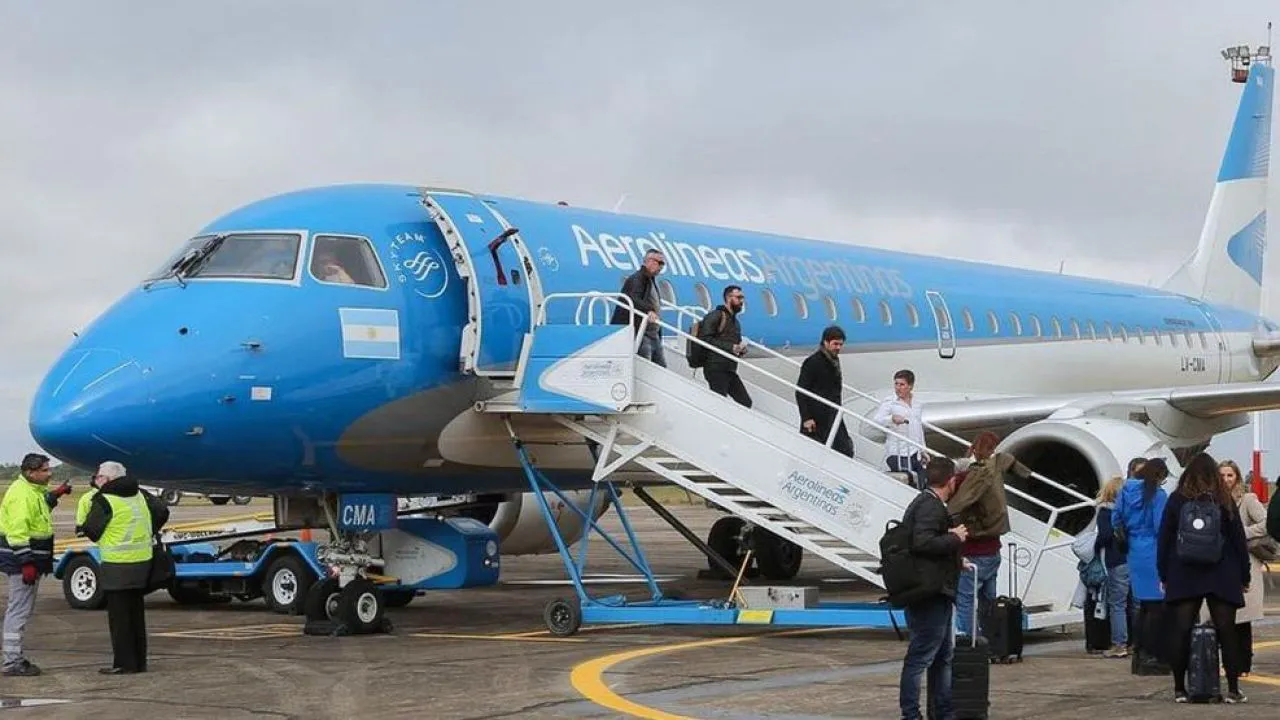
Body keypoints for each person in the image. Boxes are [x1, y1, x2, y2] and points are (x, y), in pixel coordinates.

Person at [1157, 452, 1250, 704]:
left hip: (1184, 571)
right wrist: (1244, 574)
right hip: (1222, 571)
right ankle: (1232, 689)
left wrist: (1164, 573)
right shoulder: (1223, 499)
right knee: (1227, 631)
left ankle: (1179, 689)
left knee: (1181, 630)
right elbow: (1238, 540)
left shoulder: (1176, 499)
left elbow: (1164, 538)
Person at [81, 461, 170, 674]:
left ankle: (124, 663)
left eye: (100, 477)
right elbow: (162, 511)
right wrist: (147, 531)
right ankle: (140, 661)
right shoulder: (140, 494)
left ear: (109, 479)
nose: (98, 480)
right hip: (141, 560)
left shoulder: (104, 499)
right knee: (136, 613)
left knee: (119, 617)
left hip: (117, 563)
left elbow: (92, 530)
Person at [898, 457, 968, 720]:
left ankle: (943, 711)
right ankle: (912, 714)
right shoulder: (930, 506)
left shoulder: (925, 503)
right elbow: (923, 542)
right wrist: (954, 538)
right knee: (922, 656)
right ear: (951, 481)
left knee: (942, 655)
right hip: (931, 592)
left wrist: (957, 560)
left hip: (934, 588)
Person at [946, 431, 1022, 640]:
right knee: (988, 600)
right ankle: (994, 639)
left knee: (966, 600)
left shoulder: (966, 480)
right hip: (993, 550)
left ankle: (973, 642)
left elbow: (954, 507)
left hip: (973, 552)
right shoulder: (994, 474)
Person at [0, 453, 71, 676]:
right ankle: (12, 661)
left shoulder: (33, 492)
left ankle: (13, 658)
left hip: (30, 561)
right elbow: (18, 532)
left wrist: (55, 495)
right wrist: (26, 562)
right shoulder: (21, 496)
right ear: (30, 472)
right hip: (22, 562)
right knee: (19, 610)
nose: (49, 473)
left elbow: (38, 513)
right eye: (45, 470)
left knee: (21, 609)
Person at [1114, 457, 1169, 672]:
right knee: (1156, 607)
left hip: (1134, 548)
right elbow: (1160, 527)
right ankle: (1153, 654)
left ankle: (1139, 654)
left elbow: (1115, 520)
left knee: (1143, 606)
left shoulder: (1125, 490)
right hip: (1152, 549)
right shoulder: (1157, 495)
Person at [1218, 459, 1266, 677]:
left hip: (1244, 561)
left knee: (1242, 619)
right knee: (1224, 617)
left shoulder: (1247, 499)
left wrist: (1242, 533)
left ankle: (1243, 664)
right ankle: (1229, 662)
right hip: (1221, 563)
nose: (1226, 480)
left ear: (1237, 477)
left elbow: (1267, 523)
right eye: (1222, 475)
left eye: (1230, 475)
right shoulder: (1214, 499)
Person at [795, 325, 853, 457]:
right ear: (826, 342)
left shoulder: (833, 360)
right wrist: (806, 418)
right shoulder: (813, 362)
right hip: (817, 416)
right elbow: (801, 391)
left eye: (840, 344)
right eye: (835, 344)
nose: (838, 347)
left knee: (845, 449)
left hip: (832, 412)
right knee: (813, 452)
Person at [1092, 474, 1133, 658]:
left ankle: (1119, 644)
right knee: (1136, 604)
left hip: (1116, 560)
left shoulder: (1106, 512)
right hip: (1134, 559)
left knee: (1117, 604)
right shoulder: (1132, 511)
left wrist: (1095, 547)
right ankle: (1137, 643)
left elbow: (1105, 536)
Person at [610, 248, 667, 367]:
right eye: (660, 263)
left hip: (652, 332)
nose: (662, 267)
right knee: (646, 367)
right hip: (641, 333)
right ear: (649, 261)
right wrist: (649, 310)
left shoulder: (650, 280)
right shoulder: (638, 279)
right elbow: (633, 299)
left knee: (660, 367)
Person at [698, 285, 751, 407]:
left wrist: (740, 350)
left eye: (742, 298)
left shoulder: (735, 322)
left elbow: (734, 344)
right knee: (720, 403)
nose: (742, 301)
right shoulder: (716, 316)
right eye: (739, 297)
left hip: (730, 369)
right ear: (728, 298)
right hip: (715, 368)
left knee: (745, 402)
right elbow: (704, 339)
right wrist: (730, 347)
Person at [874, 370, 926, 489]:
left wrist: (923, 449)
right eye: (896, 384)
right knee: (911, 478)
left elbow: (918, 428)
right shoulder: (890, 402)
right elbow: (877, 420)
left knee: (924, 480)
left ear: (910, 386)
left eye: (902, 385)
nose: (898, 388)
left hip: (914, 453)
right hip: (897, 453)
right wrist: (891, 419)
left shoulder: (917, 404)